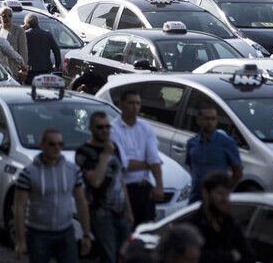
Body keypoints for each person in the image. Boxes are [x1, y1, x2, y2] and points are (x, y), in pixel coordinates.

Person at [14, 129, 92, 263]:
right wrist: (21, 240)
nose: (57, 148)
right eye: (52, 144)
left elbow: (81, 202)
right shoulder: (29, 173)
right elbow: (19, 206)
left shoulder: (72, 170)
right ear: (42, 145)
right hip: (38, 232)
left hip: (65, 231)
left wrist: (86, 234)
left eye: (60, 144)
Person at [75, 112, 132, 263]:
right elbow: (95, 182)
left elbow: (120, 180)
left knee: (127, 254)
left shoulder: (114, 148)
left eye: (108, 127)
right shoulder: (84, 152)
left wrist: (128, 210)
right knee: (109, 256)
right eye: (100, 127)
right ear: (91, 128)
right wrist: (105, 156)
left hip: (120, 210)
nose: (105, 130)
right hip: (100, 212)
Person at [111, 90, 164, 227]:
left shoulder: (146, 128)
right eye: (131, 103)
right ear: (121, 104)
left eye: (138, 103)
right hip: (125, 191)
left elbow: (154, 159)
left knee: (147, 231)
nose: (134, 107)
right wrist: (149, 164)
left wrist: (159, 186)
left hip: (146, 190)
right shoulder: (113, 130)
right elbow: (124, 165)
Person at [187, 172, 256, 263]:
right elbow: (195, 257)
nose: (225, 199)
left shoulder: (229, 223)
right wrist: (230, 256)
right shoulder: (192, 225)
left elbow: (248, 256)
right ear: (206, 193)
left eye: (227, 194)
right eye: (220, 193)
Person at [185, 103, 243, 203]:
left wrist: (225, 191)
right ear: (198, 120)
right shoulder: (192, 143)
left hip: (216, 201)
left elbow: (238, 172)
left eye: (213, 119)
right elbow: (191, 167)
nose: (210, 122)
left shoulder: (226, 142)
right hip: (195, 199)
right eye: (207, 119)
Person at [23, 13, 61, 84]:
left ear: (27, 24)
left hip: (30, 70)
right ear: (37, 22)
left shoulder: (25, 34)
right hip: (46, 69)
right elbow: (56, 50)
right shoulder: (47, 34)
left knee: (30, 88)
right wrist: (57, 65)